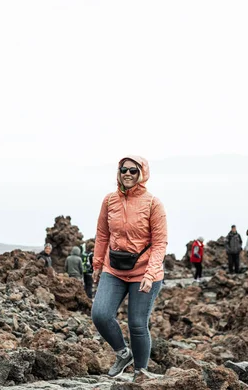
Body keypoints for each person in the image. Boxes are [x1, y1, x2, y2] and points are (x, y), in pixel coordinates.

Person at [91, 155, 167, 382]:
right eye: (123, 169)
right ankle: (123, 354)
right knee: (100, 314)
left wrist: (150, 274)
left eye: (133, 170)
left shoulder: (154, 204)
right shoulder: (109, 201)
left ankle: (140, 374)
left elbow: (160, 242)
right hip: (113, 268)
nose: (127, 174)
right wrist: (96, 265)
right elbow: (103, 234)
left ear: (142, 174)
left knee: (136, 323)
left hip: (144, 272)